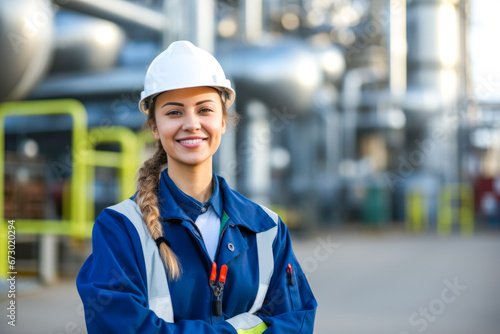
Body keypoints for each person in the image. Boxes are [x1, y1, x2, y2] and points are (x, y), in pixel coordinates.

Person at [76, 40, 317, 333]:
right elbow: (118, 326)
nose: (191, 124)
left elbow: (297, 320)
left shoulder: (267, 229)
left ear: (224, 121)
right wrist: (239, 329)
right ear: (154, 126)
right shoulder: (121, 228)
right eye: (174, 112)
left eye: (204, 110)